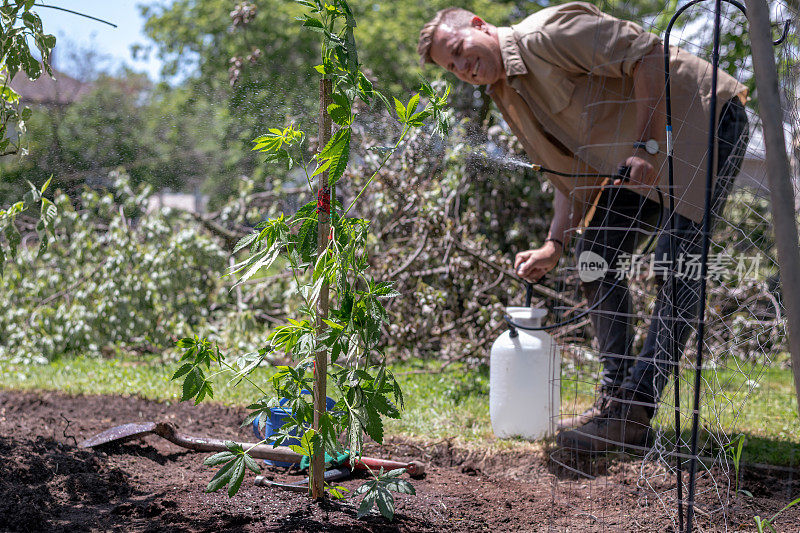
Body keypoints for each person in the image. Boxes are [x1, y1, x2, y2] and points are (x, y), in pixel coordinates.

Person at [417, 2, 749, 452]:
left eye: (459, 49)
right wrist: (555, 243)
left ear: (480, 26)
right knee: (593, 255)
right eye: (452, 67)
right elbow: (571, 172)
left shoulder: (546, 33)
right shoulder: (509, 95)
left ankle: (635, 409)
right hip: (640, 159)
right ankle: (616, 399)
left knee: (677, 261)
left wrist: (646, 145)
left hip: (701, 122)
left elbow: (649, 53)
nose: (463, 68)